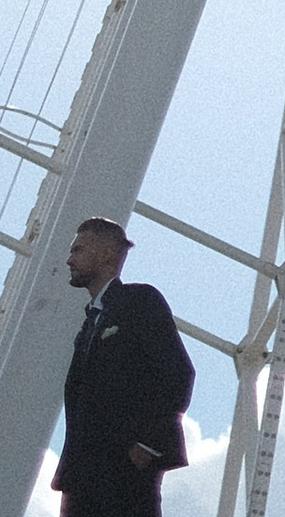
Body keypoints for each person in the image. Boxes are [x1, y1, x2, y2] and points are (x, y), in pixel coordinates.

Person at [51, 216, 194, 514]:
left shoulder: (139, 301)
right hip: (83, 479)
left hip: (123, 472)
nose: (68, 259)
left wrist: (146, 445)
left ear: (104, 254)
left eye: (78, 250)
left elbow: (176, 370)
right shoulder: (90, 324)